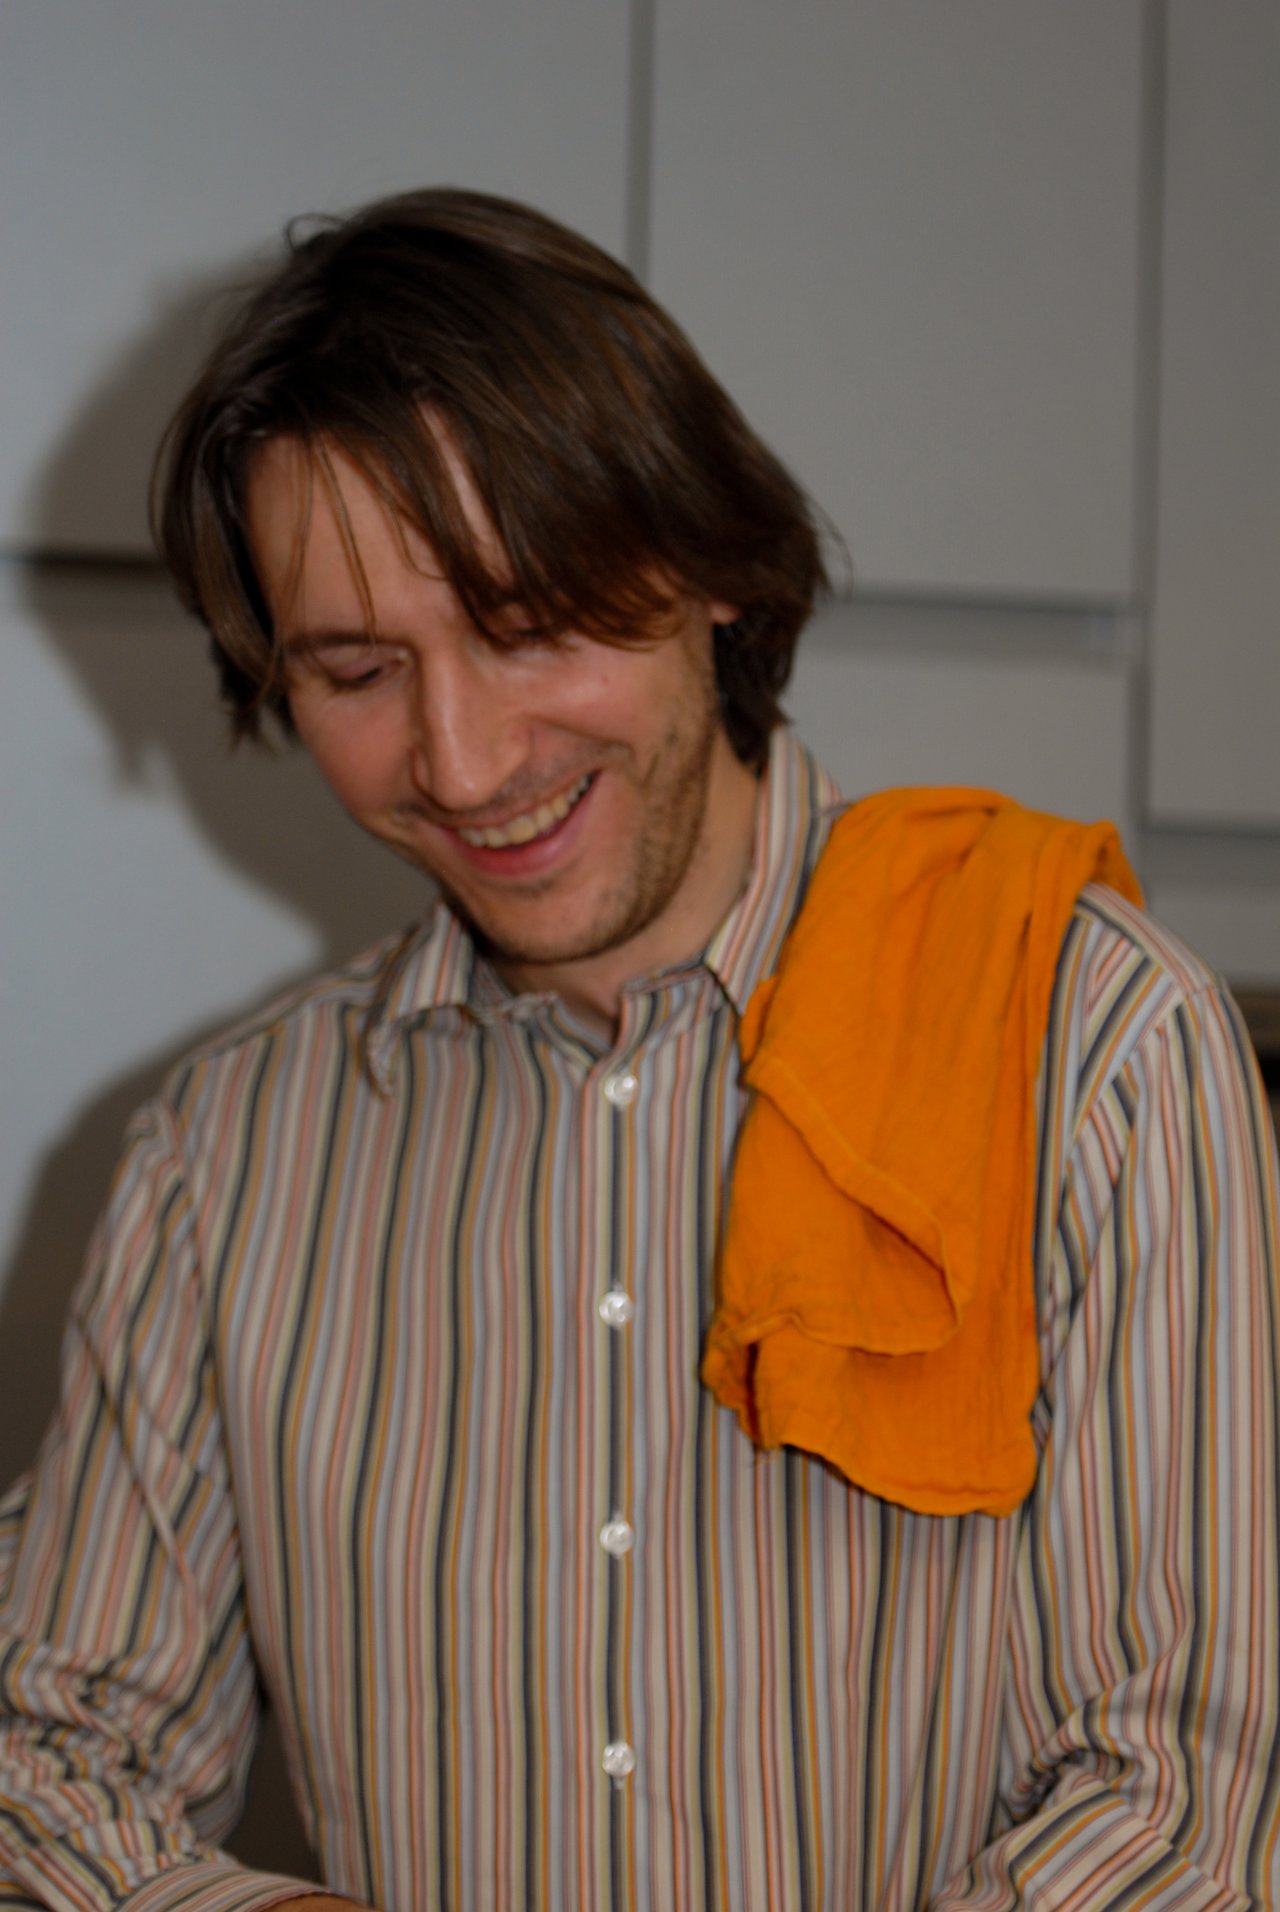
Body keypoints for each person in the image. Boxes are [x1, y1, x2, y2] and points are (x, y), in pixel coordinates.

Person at [1, 188, 1278, 1912]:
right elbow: (46, 1758)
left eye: (527, 624)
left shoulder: (1101, 1052)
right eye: (362, 667)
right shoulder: (226, 1156)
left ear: (716, 573)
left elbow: (1184, 1814)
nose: (459, 759)